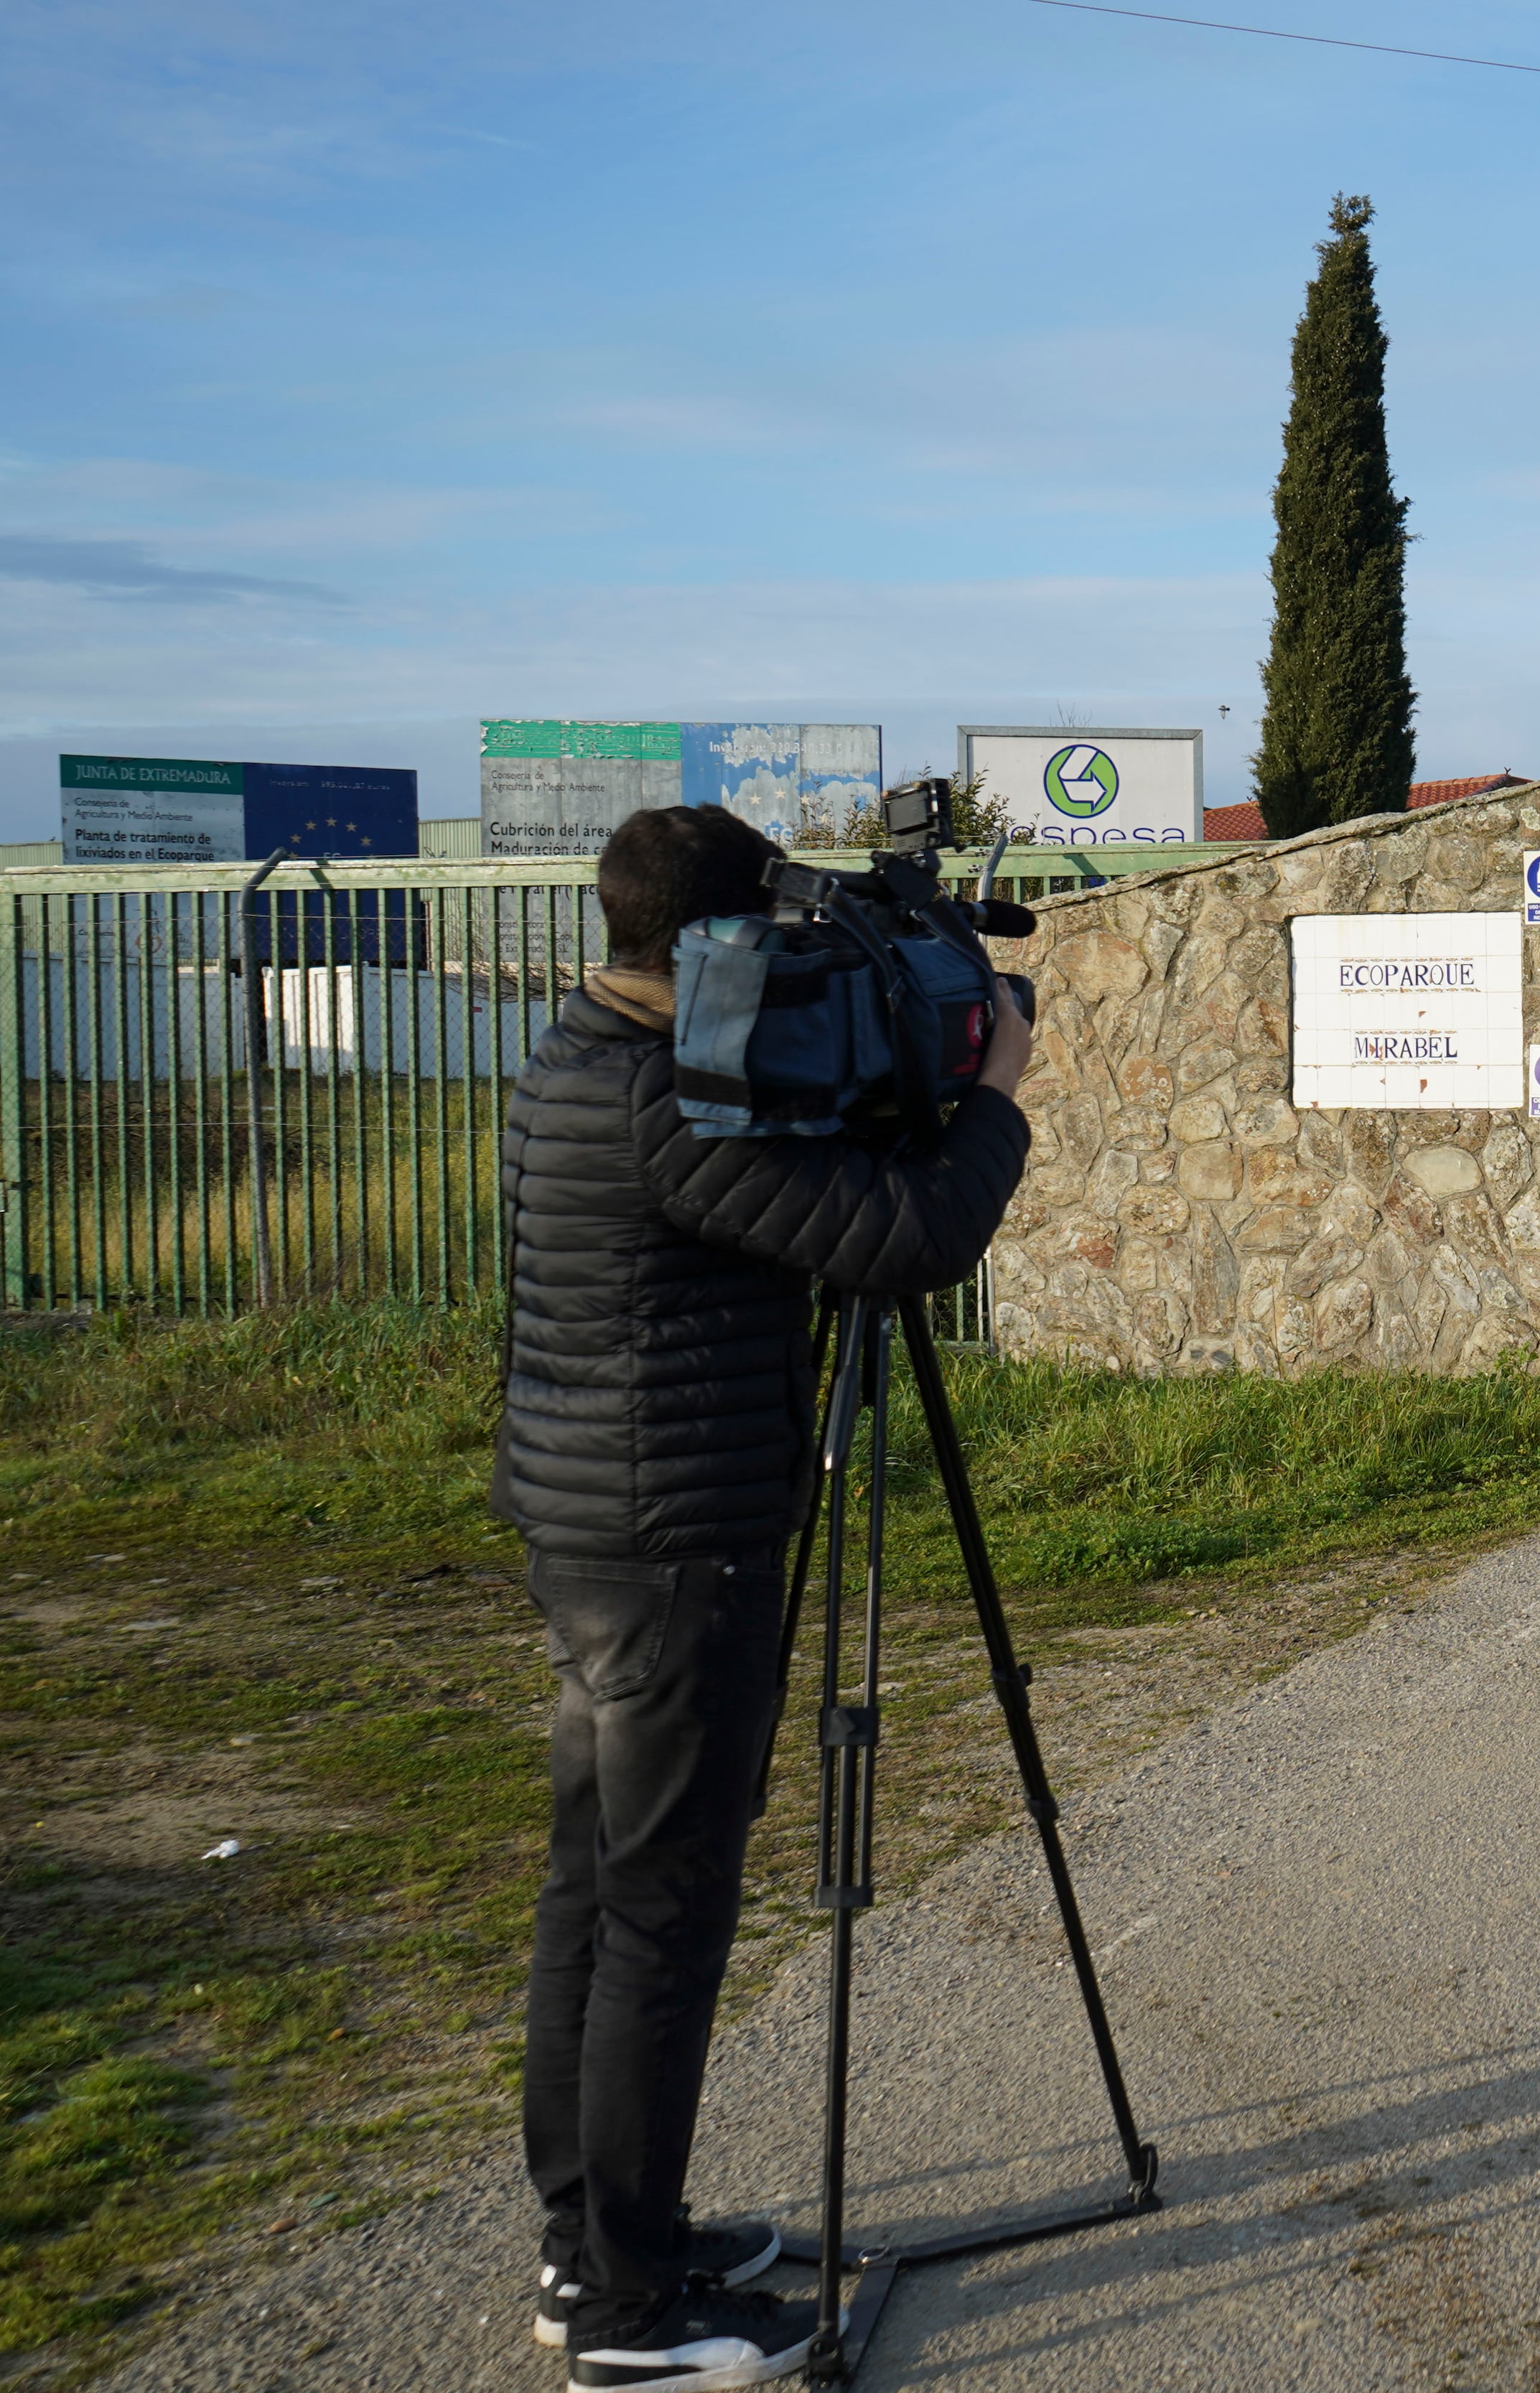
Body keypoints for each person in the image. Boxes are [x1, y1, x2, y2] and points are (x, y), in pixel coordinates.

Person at [494, 806, 1032, 2389]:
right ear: (730, 938)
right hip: (675, 1549)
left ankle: (594, 2239)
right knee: (658, 1917)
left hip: (593, 1529)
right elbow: (911, 1236)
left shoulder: (581, 1048)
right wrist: (991, 1095)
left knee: (593, 1894)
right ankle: (629, 2317)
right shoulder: (679, 1109)